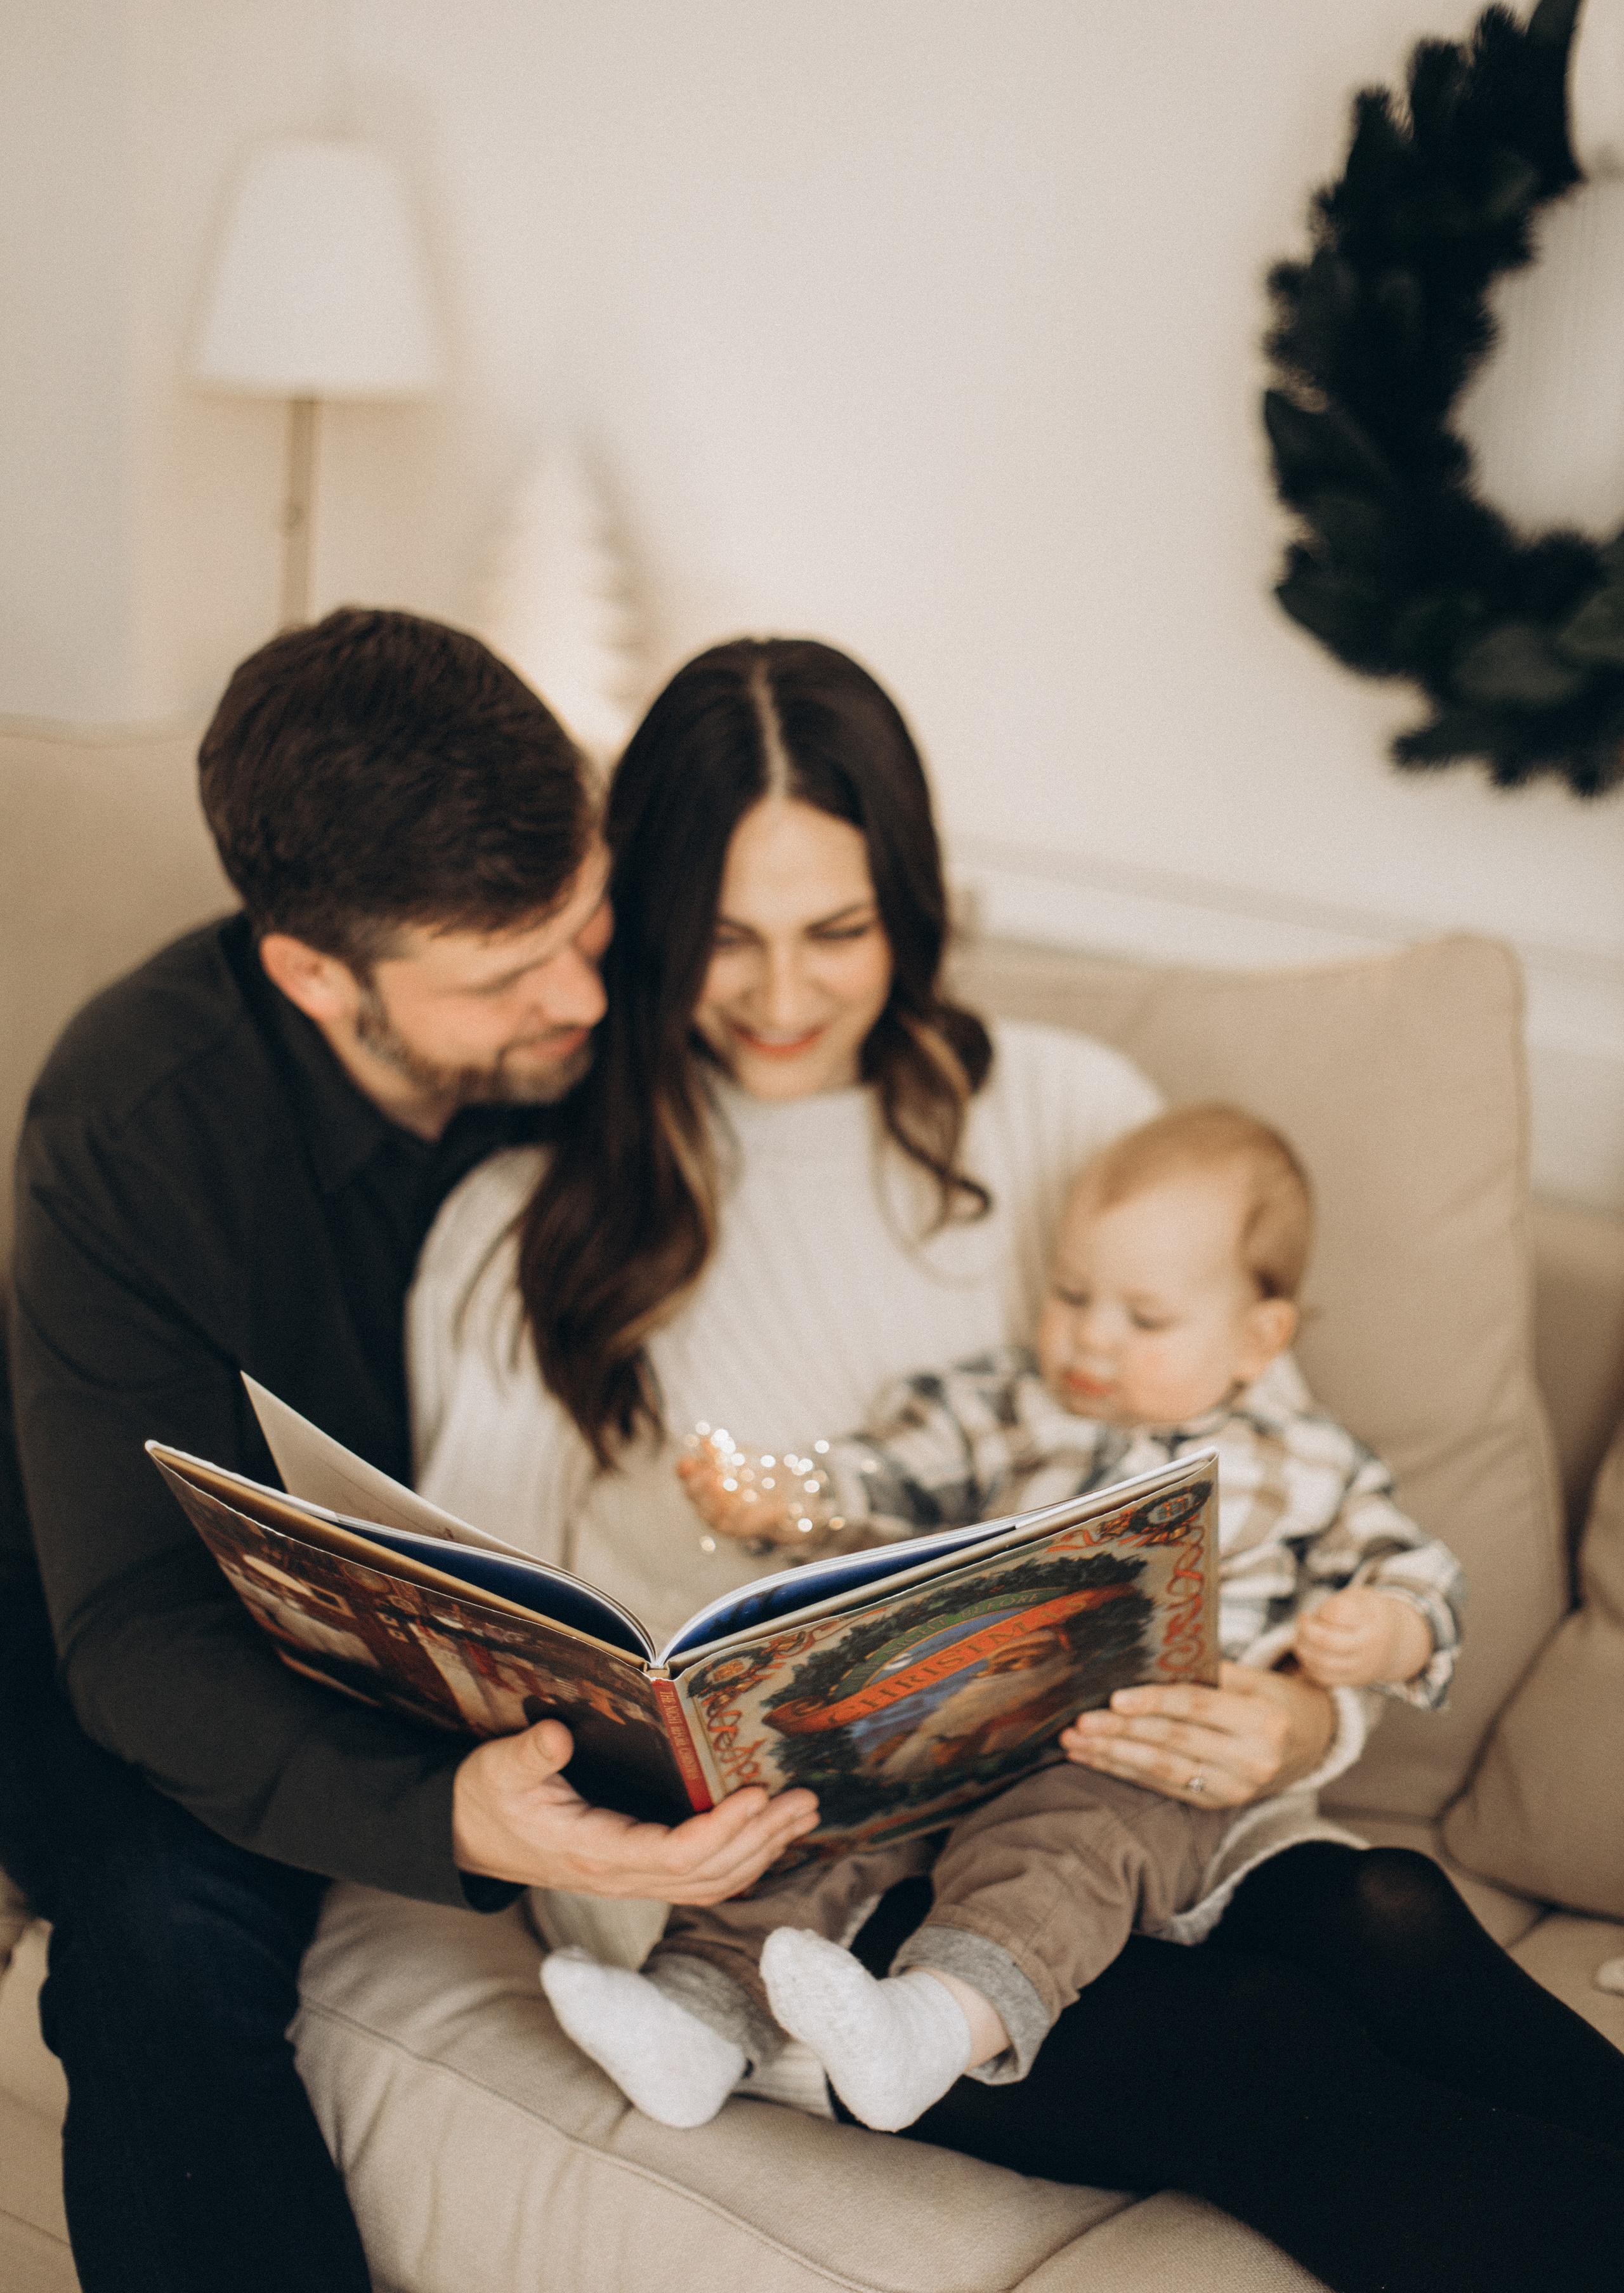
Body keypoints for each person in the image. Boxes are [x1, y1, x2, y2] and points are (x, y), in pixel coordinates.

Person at [405, 636, 1624, 2293]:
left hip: (1113, 1803)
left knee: (1389, 1913)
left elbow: (1263, 1490)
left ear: (912, 903)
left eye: (836, 930)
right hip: (798, 1893)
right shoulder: (519, 1237)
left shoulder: (1067, 1114)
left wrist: (1299, 1712)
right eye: (724, 938)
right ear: (641, 925)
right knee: (1254, 2046)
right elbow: (471, 1651)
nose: (780, 995)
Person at [3, 608, 815, 2293]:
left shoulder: (609, 1037)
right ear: (315, 973)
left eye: (586, 924)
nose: (585, 995)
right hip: (160, 1604)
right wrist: (449, 1814)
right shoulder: (135, 1123)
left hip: (518, 1616)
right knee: (154, 1947)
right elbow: (133, 1637)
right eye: (508, 973)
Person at [542, 1102, 1467, 2132]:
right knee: (805, 1818)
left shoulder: (1307, 1461)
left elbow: (1414, 1569)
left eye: (1145, 1319)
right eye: (1071, 1295)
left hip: (1144, 1761)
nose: (1091, 1338)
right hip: (952, 1723)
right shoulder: (1001, 1408)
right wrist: (787, 1498)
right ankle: (696, 2017)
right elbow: (881, 1477)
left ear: (1261, 1338)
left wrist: (1388, 1630)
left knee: (1061, 1844)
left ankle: (937, 2024)